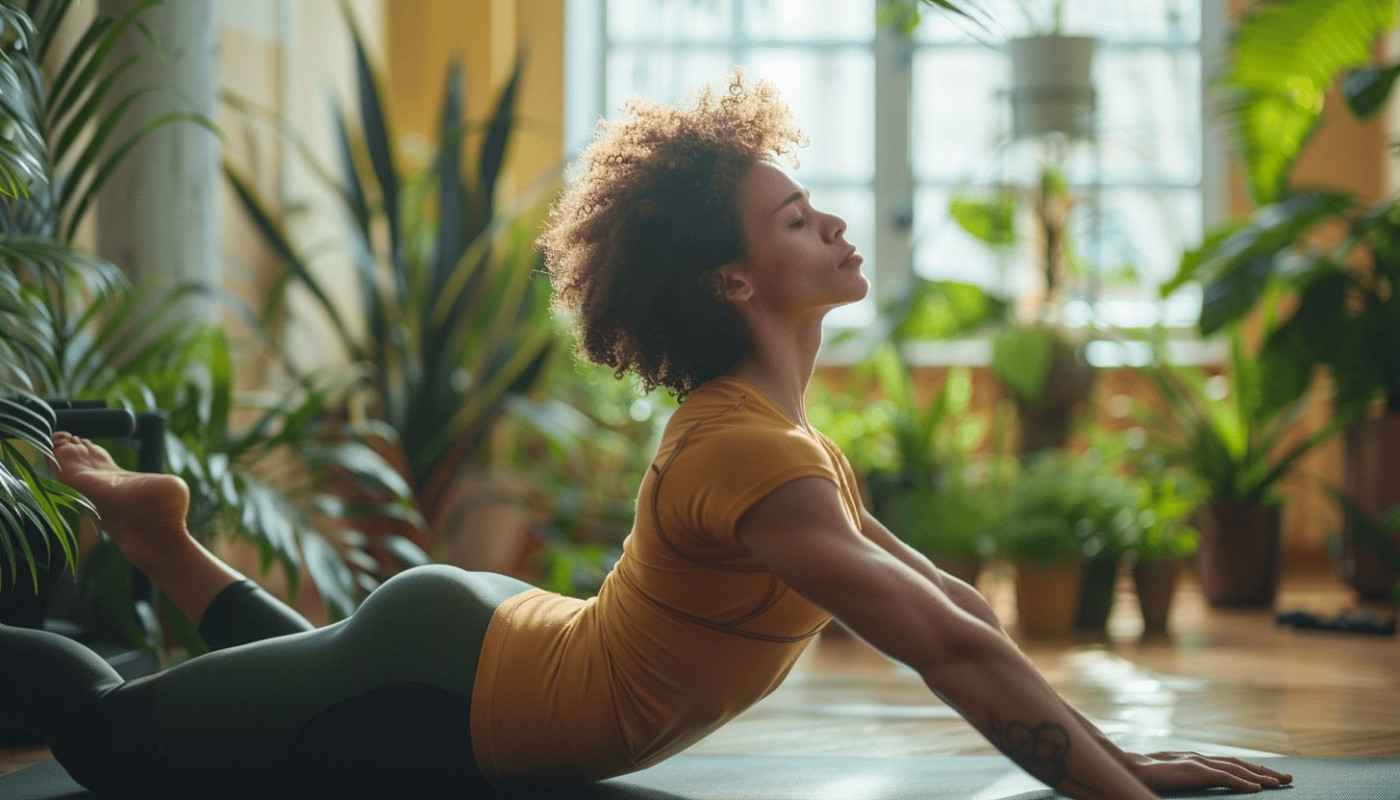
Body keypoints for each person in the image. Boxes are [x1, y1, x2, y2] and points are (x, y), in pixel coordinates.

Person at [0, 71, 1291, 800]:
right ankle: (158, 550)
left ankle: (167, 544)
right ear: (730, 280)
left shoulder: (780, 440)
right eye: (796, 219)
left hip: (479, 662)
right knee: (109, 738)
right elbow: (944, 644)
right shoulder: (749, 452)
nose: (836, 228)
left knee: (319, 711)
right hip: (449, 690)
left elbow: (951, 603)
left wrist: (1122, 761)